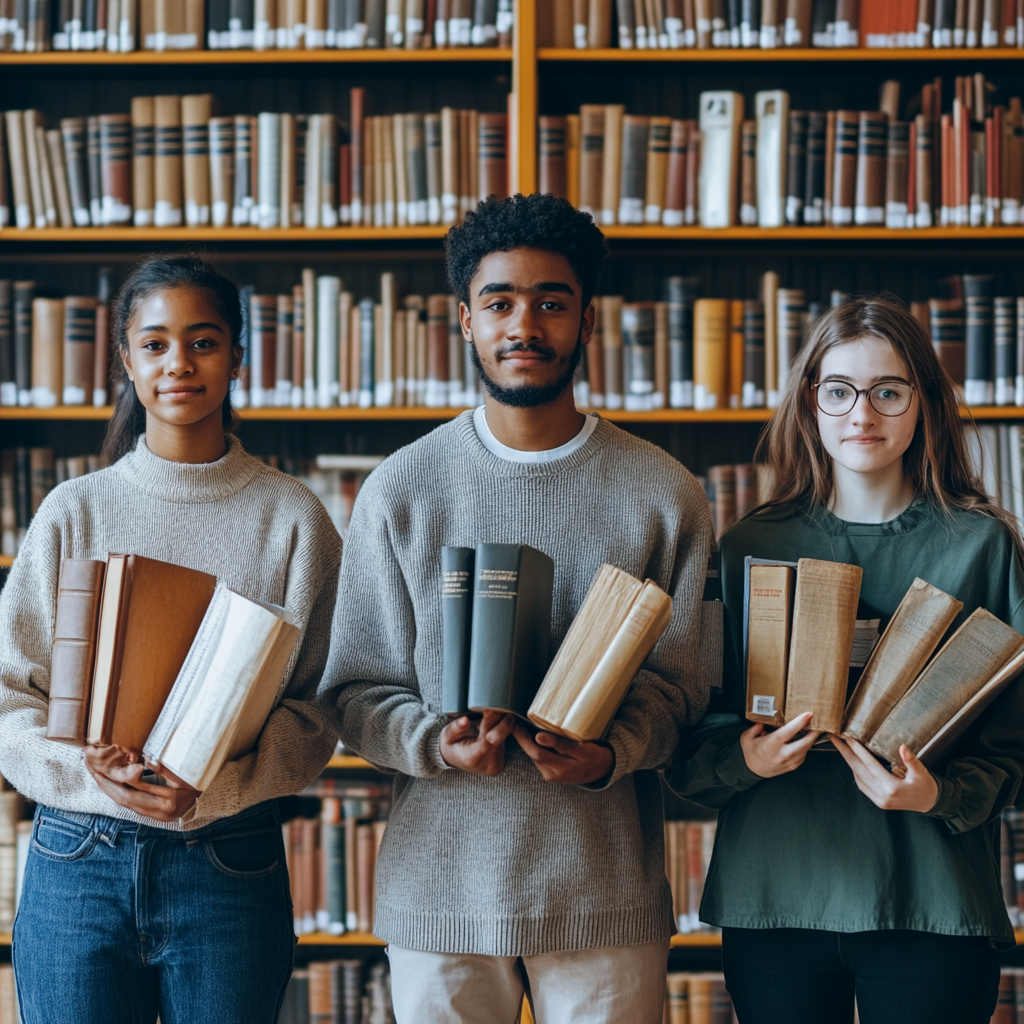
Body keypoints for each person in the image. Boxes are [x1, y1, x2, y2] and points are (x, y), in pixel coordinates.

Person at [318, 193, 720, 1024]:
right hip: (440, 893)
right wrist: (436, 741)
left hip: (601, 888)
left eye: (550, 302)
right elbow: (352, 691)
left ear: (587, 322)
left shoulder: (663, 492)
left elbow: (684, 687)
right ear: (466, 320)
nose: (524, 325)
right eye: (500, 302)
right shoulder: (402, 487)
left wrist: (610, 753)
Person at [0, 256, 341, 1024]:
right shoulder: (73, 511)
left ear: (239, 357)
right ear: (125, 361)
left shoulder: (294, 519)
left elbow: (319, 709)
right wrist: (88, 777)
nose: (178, 364)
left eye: (203, 342)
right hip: (77, 857)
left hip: (227, 856)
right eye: (154, 345)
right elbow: (5, 693)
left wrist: (210, 790)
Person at [667, 297, 1024, 1024]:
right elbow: (687, 741)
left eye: (888, 391)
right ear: (811, 403)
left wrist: (938, 796)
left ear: (924, 403)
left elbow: (1015, 743)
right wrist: (748, 758)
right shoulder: (746, 546)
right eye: (840, 391)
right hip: (776, 901)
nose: (863, 414)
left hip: (931, 898)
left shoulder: (982, 546)